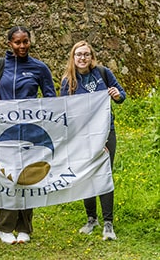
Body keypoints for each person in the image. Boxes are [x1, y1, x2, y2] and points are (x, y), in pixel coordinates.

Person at [0, 26, 56, 244]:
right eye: (17, 42)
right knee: (9, 178)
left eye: (25, 41)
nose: (22, 46)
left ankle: (25, 227)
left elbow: (51, 98)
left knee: (29, 178)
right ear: (9, 43)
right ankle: (5, 227)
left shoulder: (39, 68)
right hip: (5, 133)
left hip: (32, 133)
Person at [60, 40, 126, 241]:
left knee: (104, 175)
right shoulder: (68, 81)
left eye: (86, 54)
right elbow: (63, 111)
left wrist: (116, 95)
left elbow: (121, 95)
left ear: (92, 57)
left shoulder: (103, 73)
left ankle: (108, 223)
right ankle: (91, 219)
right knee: (86, 176)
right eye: (78, 54)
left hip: (106, 132)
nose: (82, 58)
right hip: (82, 137)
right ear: (73, 57)